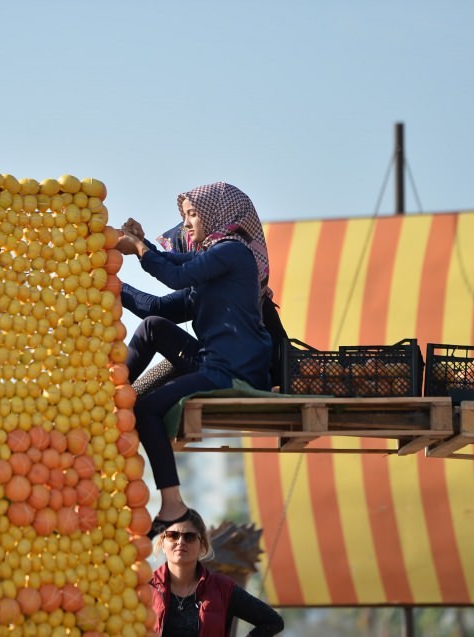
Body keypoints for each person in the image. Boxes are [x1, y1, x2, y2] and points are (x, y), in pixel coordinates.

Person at [116, 182, 273, 538]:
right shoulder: (212, 271)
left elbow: (176, 274)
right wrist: (112, 281)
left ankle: (173, 504)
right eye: (184, 216)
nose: (187, 224)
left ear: (218, 214)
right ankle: (110, 391)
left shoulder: (234, 253)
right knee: (155, 326)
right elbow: (157, 306)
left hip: (233, 370)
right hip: (210, 363)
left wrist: (141, 249)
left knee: (148, 409)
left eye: (192, 214)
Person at [124, 198, 287, 393]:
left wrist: (138, 251)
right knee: (148, 380)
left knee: (147, 395)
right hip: (216, 365)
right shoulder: (209, 283)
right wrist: (139, 246)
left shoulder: (228, 271)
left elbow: (171, 283)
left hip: (241, 375)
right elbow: (158, 308)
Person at [150, 508, 284, 636]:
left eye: (189, 537)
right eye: (173, 535)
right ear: (162, 543)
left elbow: (273, 621)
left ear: (202, 545)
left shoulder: (223, 588)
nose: (180, 542)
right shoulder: (145, 586)